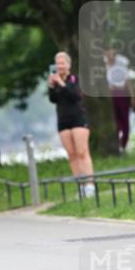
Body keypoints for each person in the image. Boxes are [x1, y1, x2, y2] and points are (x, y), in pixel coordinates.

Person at [48, 51, 95, 197]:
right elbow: (53, 99)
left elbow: (75, 95)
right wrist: (51, 86)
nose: (60, 66)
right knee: (72, 155)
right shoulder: (55, 81)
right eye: (58, 63)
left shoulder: (75, 79)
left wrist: (62, 83)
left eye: (63, 63)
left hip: (78, 119)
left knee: (82, 152)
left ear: (68, 64)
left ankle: (90, 185)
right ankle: (80, 185)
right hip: (63, 120)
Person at [104, 48, 135, 152]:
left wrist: (132, 97)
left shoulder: (122, 65)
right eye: (108, 54)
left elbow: (129, 81)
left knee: (124, 120)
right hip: (109, 96)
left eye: (112, 53)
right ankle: (117, 144)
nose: (110, 56)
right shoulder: (103, 67)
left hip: (122, 93)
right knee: (114, 120)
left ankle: (123, 144)